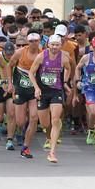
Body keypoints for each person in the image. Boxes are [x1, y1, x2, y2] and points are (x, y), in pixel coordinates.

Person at [29, 34, 72, 163]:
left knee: (55, 119)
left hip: (56, 91)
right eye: (52, 45)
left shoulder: (64, 58)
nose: (54, 47)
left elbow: (68, 69)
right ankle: (49, 135)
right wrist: (36, 88)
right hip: (43, 92)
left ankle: (52, 152)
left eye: (57, 45)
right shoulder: (41, 56)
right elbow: (31, 73)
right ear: (48, 45)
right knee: (45, 123)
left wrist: (64, 82)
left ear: (61, 45)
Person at [7, 31, 43, 158]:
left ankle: (26, 146)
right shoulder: (20, 52)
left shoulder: (43, 53)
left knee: (34, 117)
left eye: (36, 41)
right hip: (20, 89)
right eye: (31, 41)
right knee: (20, 121)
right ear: (28, 42)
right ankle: (20, 130)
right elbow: (9, 66)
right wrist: (10, 83)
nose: (34, 44)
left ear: (39, 41)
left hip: (34, 90)